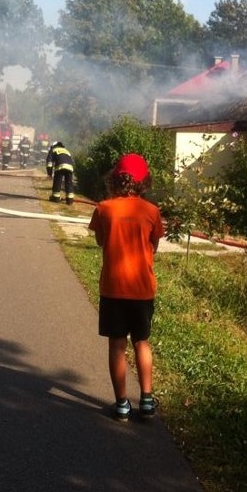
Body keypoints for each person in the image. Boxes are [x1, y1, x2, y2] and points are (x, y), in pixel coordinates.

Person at [88, 153, 165, 422]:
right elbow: (154, 244)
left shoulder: (103, 208)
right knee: (142, 342)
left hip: (113, 288)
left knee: (117, 346)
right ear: (144, 182)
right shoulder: (152, 211)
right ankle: (146, 401)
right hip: (142, 289)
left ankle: (121, 405)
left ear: (114, 179)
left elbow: (100, 241)